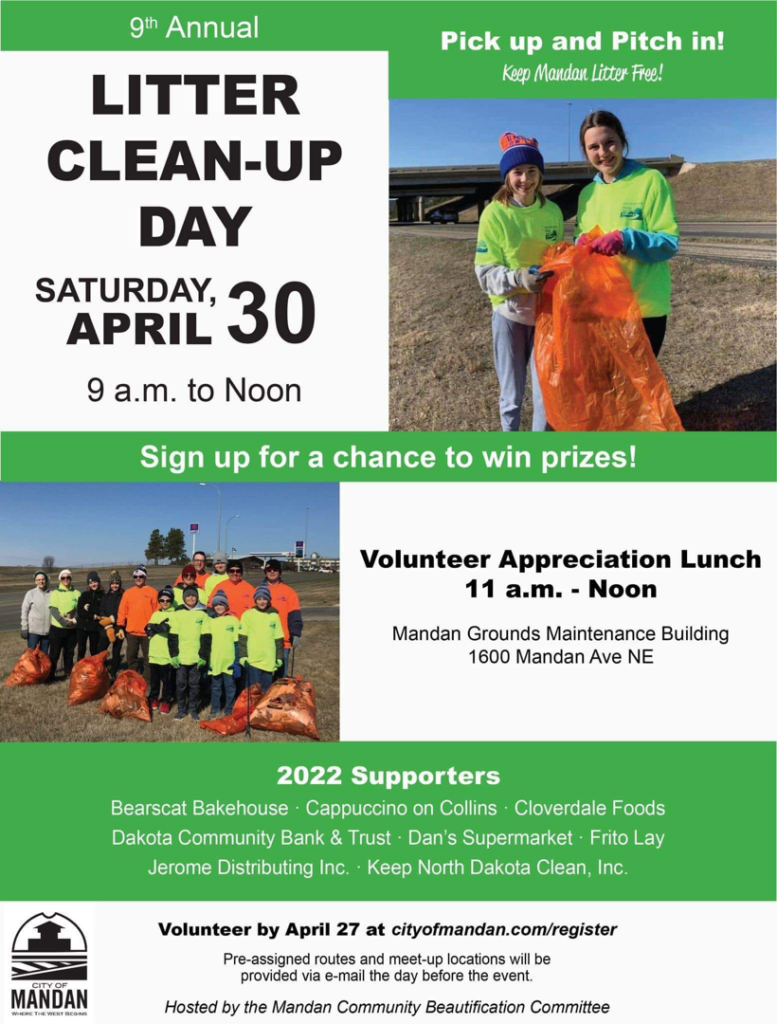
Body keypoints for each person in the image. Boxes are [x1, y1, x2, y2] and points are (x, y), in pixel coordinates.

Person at [475, 133, 564, 431]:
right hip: (509, 316)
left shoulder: (552, 212)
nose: (524, 179)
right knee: (511, 396)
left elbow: (559, 258)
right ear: (506, 176)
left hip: (547, 318)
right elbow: (485, 275)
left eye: (531, 171)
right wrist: (520, 279)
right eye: (517, 172)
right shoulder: (494, 214)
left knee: (546, 397)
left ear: (540, 175)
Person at [576, 110, 679, 357]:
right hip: (602, 307)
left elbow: (668, 243)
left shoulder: (650, 181)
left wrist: (626, 240)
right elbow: (583, 242)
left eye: (609, 142)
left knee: (638, 387)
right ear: (586, 151)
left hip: (645, 308)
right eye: (594, 147)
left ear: (622, 141)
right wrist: (579, 244)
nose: (603, 153)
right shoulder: (586, 195)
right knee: (607, 384)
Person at [169, 584, 207, 721]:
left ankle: (193, 710)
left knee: (195, 685)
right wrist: (173, 655)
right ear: (184, 598)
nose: (191, 598)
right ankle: (181, 710)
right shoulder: (178, 614)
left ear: (197, 597)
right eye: (188, 596)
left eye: (193, 595)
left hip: (196, 658)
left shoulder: (203, 614)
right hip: (181, 658)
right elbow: (172, 636)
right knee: (180, 684)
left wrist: (203, 656)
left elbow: (206, 637)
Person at [200, 590, 240, 717]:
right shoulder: (209, 622)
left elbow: (237, 643)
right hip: (215, 661)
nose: (218, 607)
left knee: (230, 687)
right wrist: (207, 662)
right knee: (215, 688)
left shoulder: (233, 621)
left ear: (226, 606)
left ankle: (229, 709)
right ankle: (215, 709)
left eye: (221, 604)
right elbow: (205, 643)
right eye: (216, 605)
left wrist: (237, 662)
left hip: (229, 662)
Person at [238, 584, 284, 694]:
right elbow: (242, 638)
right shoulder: (248, 615)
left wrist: (279, 657)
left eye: (264, 599)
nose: (262, 602)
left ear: (268, 600)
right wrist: (243, 656)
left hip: (268, 659)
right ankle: (251, 710)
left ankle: (263, 711)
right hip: (253, 659)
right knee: (254, 689)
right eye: (259, 599)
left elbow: (278, 639)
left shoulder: (274, 616)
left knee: (265, 690)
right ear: (255, 600)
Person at [117, 565, 158, 685]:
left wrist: (153, 627)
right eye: (135, 576)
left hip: (147, 633)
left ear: (145, 577)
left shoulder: (153, 592)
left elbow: (157, 611)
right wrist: (120, 626)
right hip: (132, 632)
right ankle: (133, 678)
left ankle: (147, 680)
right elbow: (122, 611)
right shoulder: (128, 593)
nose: (138, 578)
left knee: (148, 658)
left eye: (141, 576)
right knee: (131, 656)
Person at [263, 559, 303, 678]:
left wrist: (295, 633)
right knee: (264, 678)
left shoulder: (289, 592)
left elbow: (294, 614)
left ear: (279, 572)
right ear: (265, 572)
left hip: (282, 642)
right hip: (262, 642)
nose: (272, 572)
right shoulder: (258, 591)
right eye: (269, 570)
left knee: (280, 678)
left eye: (275, 569)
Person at [144, 586, 176, 714]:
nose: (165, 603)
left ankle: (166, 701)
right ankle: (153, 698)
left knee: (167, 681)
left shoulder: (175, 614)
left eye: (168, 600)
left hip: (166, 654)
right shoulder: (156, 614)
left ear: (172, 601)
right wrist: (158, 627)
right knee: (154, 680)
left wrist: (154, 628)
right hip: (154, 653)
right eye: (162, 600)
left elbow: (167, 629)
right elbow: (147, 629)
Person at [48, 569, 80, 679]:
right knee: (54, 653)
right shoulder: (55, 593)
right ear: (60, 580)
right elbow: (53, 609)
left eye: (68, 577)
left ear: (71, 579)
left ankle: (68, 672)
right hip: (58, 628)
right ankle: (51, 674)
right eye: (63, 578)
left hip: (72, 628)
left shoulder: (77, 593)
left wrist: (74, 620)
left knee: (69, 652)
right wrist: (63, 622)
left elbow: (79, 610)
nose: (66, 580)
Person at [97, 570, 124, 678]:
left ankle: (113, 674)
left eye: (117, 583)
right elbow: (102, 610)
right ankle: (101, 671)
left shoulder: (123, 596)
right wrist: (107, 622)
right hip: (106, 627)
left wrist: (114, 619)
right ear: (110, 585)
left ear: (120, 584)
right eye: (112, 583)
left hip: (118, 628)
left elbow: (123, 611)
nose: (115, 585)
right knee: (101, 651)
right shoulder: (105, 596)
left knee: (116, 652)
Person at [20, 571, 51, 654]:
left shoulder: (51, 594)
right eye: (38, 580)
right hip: (34, 631)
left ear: (46, 580)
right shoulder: (31, 593)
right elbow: (24, 610)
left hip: (47, 631)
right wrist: (24, 627)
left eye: (43, 579)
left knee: (43, 655)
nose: (41, 581)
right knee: (32, 655)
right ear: (35, 581)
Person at [76, 571, 103, 661]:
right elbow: (80, 611)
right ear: (88, 584)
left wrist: (89, 610)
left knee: (94, 649)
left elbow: (100, 611)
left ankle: (95, 667)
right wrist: (92, 615)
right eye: (91, 583)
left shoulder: (103, 596)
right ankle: (79, 667)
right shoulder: (84, 595)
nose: (93, 584)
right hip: (82, 627)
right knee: (81, 649)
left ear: (98, 582)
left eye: (95, 582)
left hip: (94, 628)